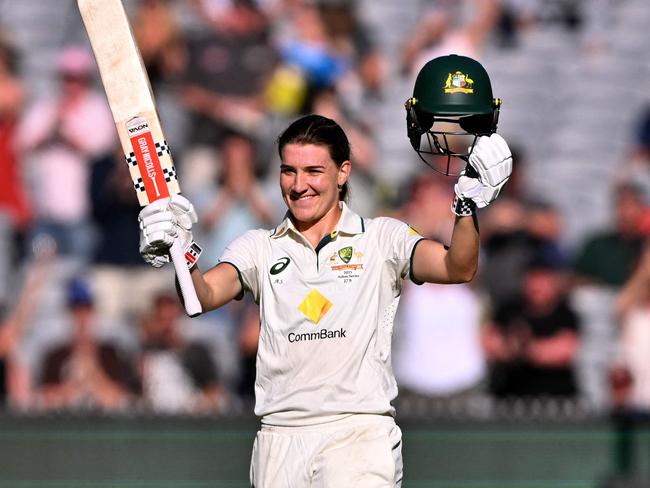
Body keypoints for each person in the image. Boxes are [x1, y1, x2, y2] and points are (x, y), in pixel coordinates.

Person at [138, 55, 512, 487]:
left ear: (342, 173)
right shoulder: (258, 247)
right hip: (280, 436)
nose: (300, 185)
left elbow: (457, 266)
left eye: (314, 171)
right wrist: (177, 249)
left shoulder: (382, 238)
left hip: (358, 431)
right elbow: (199, 298)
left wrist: (466, 205)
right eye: (289, 171)